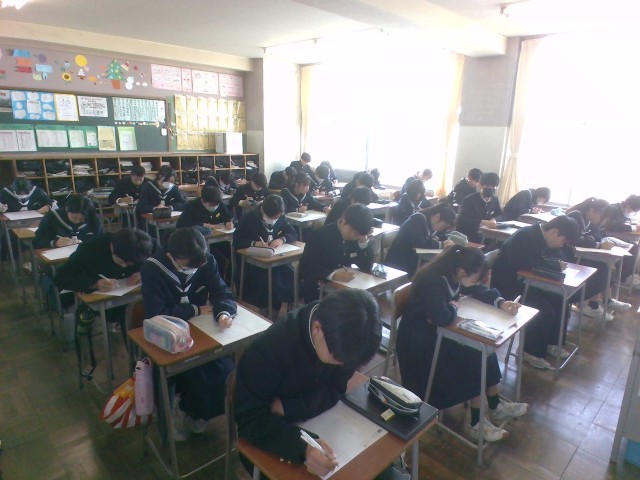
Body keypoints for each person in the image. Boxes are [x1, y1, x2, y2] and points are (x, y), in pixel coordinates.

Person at [234, 289, 382, 478]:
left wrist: (289, 407)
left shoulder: (344, 341)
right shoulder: (268, 350)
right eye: (336, 359)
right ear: (317, 328)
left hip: (324, 425)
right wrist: (303, 448)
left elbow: (336, 389)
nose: (342, 366)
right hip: (274, 438)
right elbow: (250, 420)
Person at [397, 245, 528, 443]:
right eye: (474, 278)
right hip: (419, 343)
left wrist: (501, 302)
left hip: (437, 332)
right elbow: (441, 316)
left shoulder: (453, 274)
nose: (474, 283)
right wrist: (453, 306)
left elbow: (476, 288)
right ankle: (476, 423)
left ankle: (495, 406)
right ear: (461, 271)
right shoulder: (434, 281)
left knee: (484, 350)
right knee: (475, 355)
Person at [140, 228, 236, 440]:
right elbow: (157, 313)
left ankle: (198, 413)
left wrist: (223, 312)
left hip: (202, 333)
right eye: (188, 265)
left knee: (227, 375)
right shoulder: (152, 268)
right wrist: (195, 309)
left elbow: (222, 292)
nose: (194, 269)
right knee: (199, 381)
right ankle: (183, 408)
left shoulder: (206, 261)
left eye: (198, 265)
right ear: (171, 256)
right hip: (168, 336)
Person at [491, 216, 582, 369]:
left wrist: (554, 263)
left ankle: (552, 343)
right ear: (555, 232)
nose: (563, 244)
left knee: (560, 299)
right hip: (510, 286)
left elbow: (560, 256)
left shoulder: (546, 238)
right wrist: (554, 264)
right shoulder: (525, 236)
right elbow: (525, 264)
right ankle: (529, 351)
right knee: (543, 310)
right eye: (563, 241)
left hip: (529, 283)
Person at [54, 229, 157, 333]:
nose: (124, 266)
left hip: (134, 298)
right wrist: (95, 283)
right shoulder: (91, 248)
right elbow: (61, 277)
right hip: (105, 301)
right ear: (112, 247)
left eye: (130, 264)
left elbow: (161, 263)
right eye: (121, 261)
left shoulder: (145, 245)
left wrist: (144, 271)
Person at [565, 198, 630, 319]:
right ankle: (591, 305)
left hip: (578, 254)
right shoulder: (576, 216)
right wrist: (597, 244)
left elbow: (599, 234)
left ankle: (604, 301)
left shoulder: (588, 219)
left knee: (604, 266)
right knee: (601, 268)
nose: (603, 221)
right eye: (602, 217)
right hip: (567, 256)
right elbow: (577, 240)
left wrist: (591, 240)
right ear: (592, 210)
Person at [233, 194, 297, 315]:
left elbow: (292, 233)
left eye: (276, 217)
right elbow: (236, 241)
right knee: (269, 278)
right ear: (262, 209)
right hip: (253, 261)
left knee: (289, 272)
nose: (273, 220)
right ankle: (264, 309)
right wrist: (254, 243)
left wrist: (281, 239)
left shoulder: (281, 217)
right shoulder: (249, 218)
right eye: (270, 217)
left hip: (275, 257)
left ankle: (281, 307)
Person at [300, 204, 375, 303]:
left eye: (357, 233)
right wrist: (333, 275)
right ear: (343, 219)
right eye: (351, 229)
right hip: (317, 290)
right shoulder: (320, 235)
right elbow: (305, 266)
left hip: (345, 288)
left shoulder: (357, 238)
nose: (353, 235)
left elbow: (367, 266)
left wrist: (363, 241)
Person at [385, 203, 456, 278]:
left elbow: (438, 236)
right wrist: (441, 244)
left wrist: (439, 240)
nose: (442, 229)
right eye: (443, 226)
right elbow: (421, 243)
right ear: (437, 217)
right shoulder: (418, 219)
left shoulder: (429, 222)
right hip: (399, 264)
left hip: (410, 261)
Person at [33, 194, 102, 249]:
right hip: (58, 258)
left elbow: (100, 242)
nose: (77, 221)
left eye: (82, 219)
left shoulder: (94, 219)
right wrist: (55, 243)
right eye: (74, 218)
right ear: (67, 208)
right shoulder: (51, 217)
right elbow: (36, 242)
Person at [602, 195, 640, 288]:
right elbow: (613, 226)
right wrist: (633, 228)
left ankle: (627, 276)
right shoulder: (614, 209)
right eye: (634, 210)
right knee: (632, 247)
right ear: (629, 205)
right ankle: (624, 278)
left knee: (634, 246)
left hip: (615, 236)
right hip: (606, 236)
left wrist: (631, 225)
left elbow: (625, 221)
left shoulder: (622, 211)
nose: (633, 212)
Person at [456, 172, 502, 244]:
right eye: (488, 186)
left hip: (486, 235)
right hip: (469, 236)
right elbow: (462, 220)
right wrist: (482, 222)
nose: (491, 188)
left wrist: (494, 219)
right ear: (480, 185)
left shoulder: (494, 199)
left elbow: (502, 215)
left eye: (494, 186)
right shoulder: (469, 200)